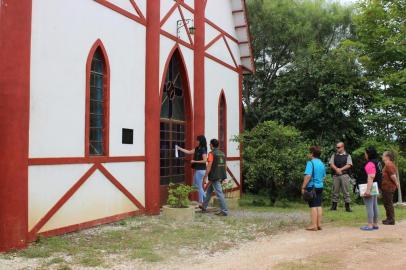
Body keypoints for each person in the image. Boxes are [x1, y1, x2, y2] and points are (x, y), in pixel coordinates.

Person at [199, 139, 228, 216]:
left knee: (219, 193)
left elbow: (209, 165)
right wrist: (224, 176)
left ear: (212, 145)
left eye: (210, 144)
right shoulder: (222, 153)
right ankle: (204, 207)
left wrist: (205, 176)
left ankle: (224, 211)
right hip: (220, 175)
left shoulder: (211, 154)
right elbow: (225, 166)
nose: (209, 145)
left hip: (214, 176)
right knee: (209, 191)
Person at [177, 135, 207, 204]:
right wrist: (179, 148)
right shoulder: (197, 148)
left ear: (200, 141)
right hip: (198, 170)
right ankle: (205, 199)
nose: (196, 141)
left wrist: (194, 161)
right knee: (195, 185)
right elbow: (189, 152)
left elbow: (205, 160)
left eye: (198, 140)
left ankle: (202, 202)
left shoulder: (203, 149)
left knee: (198, 187)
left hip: (201, 170)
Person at [301, 146, 326, 231]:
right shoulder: (322, 163)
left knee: (313, 206)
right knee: (318, 205)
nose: (308, 154)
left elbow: (308, 176)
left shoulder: (310, 163)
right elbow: (323, 177)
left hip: (312, 187)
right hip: (320, 186)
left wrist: (303, 187)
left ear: (312, 154)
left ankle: (313, 225)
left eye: (309, 152)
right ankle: (319, 224)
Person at [359, 146, 382, 231]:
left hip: (369, 186)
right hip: (375, 187)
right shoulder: (378, 162)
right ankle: (375, 224)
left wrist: (368, 190)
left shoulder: (370, 163)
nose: (364, 155)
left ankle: (369, 225)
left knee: (369, 206)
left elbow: (371, 177)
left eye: (365, 153)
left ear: (369, 154)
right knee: (374, 205)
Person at [329, 142, 353, 212]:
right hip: (336, 175)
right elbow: (331, 164)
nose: (337, 149)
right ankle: (334, 206)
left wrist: (340, 169)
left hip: (344, 175)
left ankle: (347, 207)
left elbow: (349, 165)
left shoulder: (348, 155)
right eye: (336, 147)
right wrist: (336, 169)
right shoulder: (334, 155)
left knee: (346, 191)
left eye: (338, 147)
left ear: (342, 147)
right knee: (334, 191)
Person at [381, 151, 400, 225]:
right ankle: (388, 218)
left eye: (383, 155)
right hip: (386, 187)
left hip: (389, 187)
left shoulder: (389, 164)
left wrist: (396, 183)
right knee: (386, 203)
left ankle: (391, 220)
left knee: (389, 203)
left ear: (387, 157)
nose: (382, 156)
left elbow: (393, 175)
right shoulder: (387, 164)